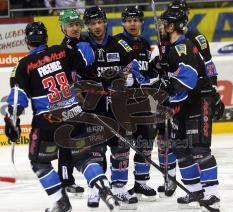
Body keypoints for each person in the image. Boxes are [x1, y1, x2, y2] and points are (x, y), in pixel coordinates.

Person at [4, 21, 119, 212]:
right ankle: (103, 186)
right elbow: (87, 57)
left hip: (48, 122)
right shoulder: (62, 51)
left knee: (39, 162)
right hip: (74, 115)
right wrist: (77, 40)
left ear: (27, 41)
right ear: (46, 38)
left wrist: (12, 119)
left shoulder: (23, 65)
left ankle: (61, 202)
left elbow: (18, 96)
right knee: (84, 159)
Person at [157, 0, 224, 203]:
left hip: (198, 95)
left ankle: (212, 191)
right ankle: (195, 190)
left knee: (199, 148)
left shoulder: (194, 37)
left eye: (164, 22)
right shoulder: (167, 43)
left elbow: (205, 65)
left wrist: (214, 92)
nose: (160, 26)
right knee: (179, 146)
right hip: (181, 100)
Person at [82, 6, 145, 210]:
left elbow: (134, 69)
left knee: (121, 149)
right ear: (88, 26)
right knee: (96, 151)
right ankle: (97, 188)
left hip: (118, 108)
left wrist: (130, 78)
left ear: (106, 22)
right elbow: (75, 75)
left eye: (100, 22)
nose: (97, 26)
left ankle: (118, 187)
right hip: (94, 109)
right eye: (92, 23)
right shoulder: (82, 48)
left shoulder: (121, 44)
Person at [114, 6, 157, 202]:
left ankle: (141, 181)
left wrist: (157, 71)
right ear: (123, 22)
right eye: (129, 20)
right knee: (121, 146)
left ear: (141, 22)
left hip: (143, 101)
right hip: (122, 101)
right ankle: (118, 185)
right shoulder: (115, 43)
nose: (132, 23)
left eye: (136, 20)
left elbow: (148, 73)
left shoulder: (146, 44)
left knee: (145, 142)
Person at [57, 8, 85, 197]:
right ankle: (66, 181)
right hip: (69, 102)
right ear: (63, 28)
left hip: (83, 101)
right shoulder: (65, 49)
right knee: (66, 143)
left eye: (77, 24)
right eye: (70, 25)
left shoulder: (82, 43)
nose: (75, 28)